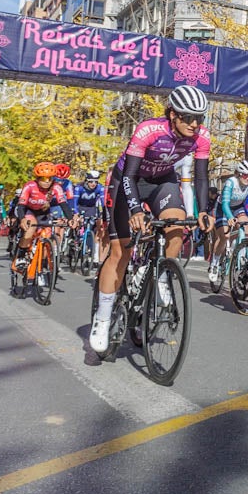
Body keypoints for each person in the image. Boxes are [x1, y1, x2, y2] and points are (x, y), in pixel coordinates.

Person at [91, 86, 215, 353]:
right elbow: (129, 176)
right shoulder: (149, 130)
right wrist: (136, 210)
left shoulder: (201, 137)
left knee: (177, 224)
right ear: (172, 114)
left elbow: (201, 177)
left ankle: (161, 276)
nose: (195, 124)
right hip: (128, 181)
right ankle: (102, 319)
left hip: (162, 182)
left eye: (199, 118)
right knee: (120, 252)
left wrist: (204, 211)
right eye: (188, 117)